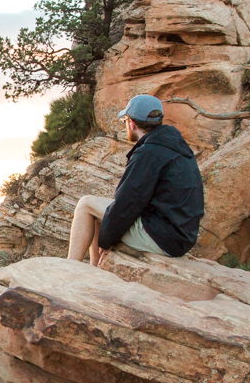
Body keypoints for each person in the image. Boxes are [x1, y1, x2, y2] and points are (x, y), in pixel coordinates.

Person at [67, 94, 204, 266]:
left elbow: (128, 203)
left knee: (86, 204)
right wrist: (108, 234)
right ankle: (95, 270)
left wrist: (106, 241)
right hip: (181, 234)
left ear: (131, 123)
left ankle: (71, 267)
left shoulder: (149, 152)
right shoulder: (175, 146)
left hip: (163, 237)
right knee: (102, 214)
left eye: (125, 121)